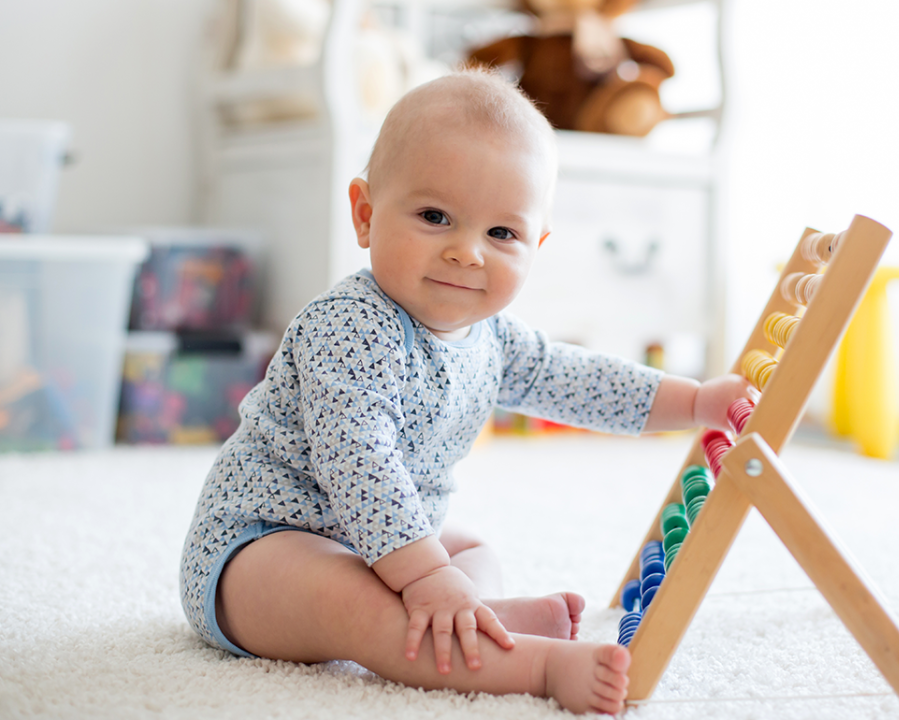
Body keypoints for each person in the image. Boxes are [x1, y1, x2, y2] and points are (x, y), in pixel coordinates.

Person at [179, 68, 754, 715]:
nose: (467, 253)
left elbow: (582, 382)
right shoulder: (347, 326)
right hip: (260, 548)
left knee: (471, 546)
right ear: (366, 215)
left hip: (385, 542)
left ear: (535, 244)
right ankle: (534, 668)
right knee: (364, 615)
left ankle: (477, 616)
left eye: (500, 234)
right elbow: (357, 462)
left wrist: (697, 401)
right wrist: (426, 576)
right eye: (435, 216)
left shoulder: (494, 338)